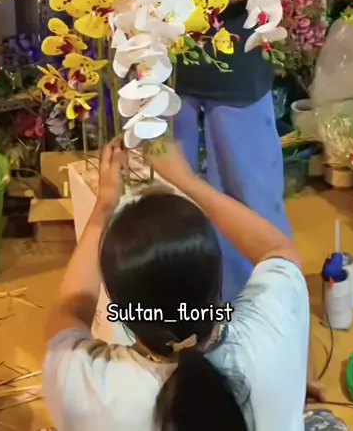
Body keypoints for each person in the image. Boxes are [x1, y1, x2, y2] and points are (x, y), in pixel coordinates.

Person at [43, 137, 310, 431]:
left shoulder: (84, 388)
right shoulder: (272, 331)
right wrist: (189, 182)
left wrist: (104, 207)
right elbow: (278, 251)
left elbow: (68, 311)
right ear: (216, 280)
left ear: (118, 306)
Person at [175, 0, 290, 302]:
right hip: (169, 60)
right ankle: (194, 308)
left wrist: (208, 0)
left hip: (236, 54)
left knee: (249, 191)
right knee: (175, 197)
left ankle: (266, 308)